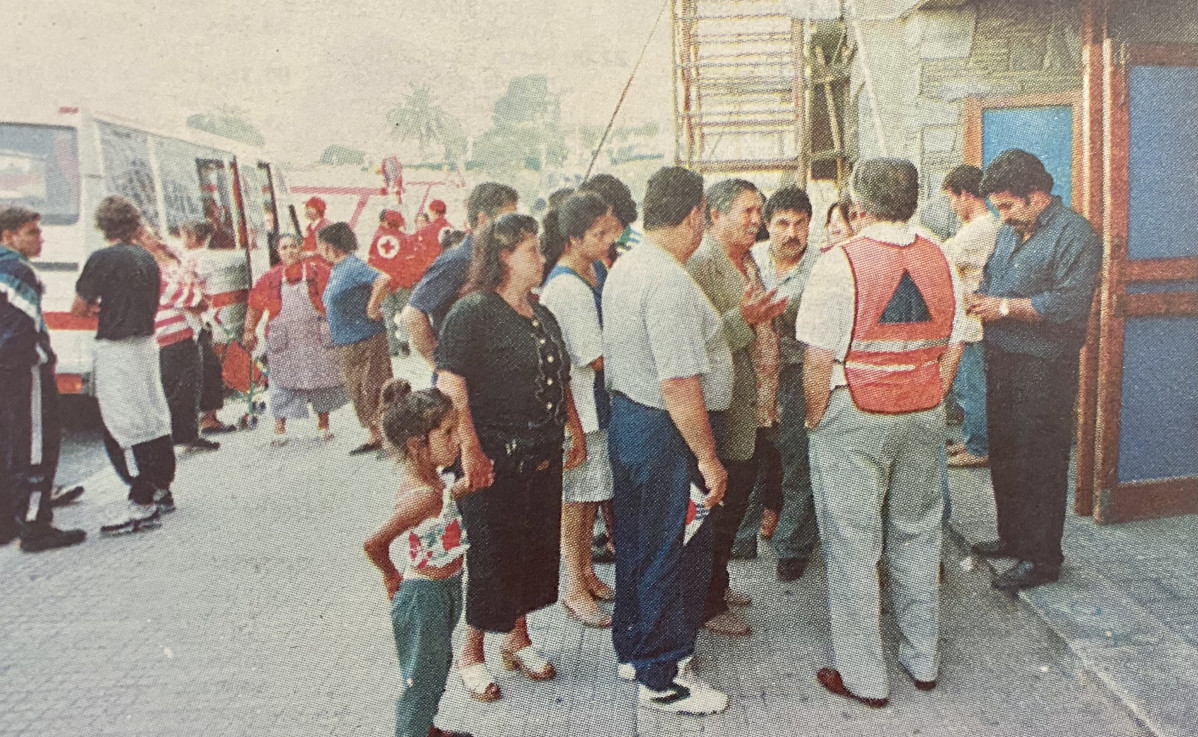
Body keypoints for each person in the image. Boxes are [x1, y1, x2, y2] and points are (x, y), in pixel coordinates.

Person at [795, 158, 966, 708]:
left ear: (859, 207)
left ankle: (864, 678)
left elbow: (818, 356)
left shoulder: (839, 261)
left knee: (853, 546)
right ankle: (924, 662)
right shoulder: (939, 254)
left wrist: (814, 416)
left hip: (855, 415)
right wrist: (933, 392)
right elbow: (958, 341)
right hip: (923, 411)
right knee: (918, 534)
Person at [435, 213, 586, 702]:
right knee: (491, 554)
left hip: (541, 456)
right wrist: (470, 451)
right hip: (492, 460)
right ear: (503, 256)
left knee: (530, 549)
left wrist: (575, 428)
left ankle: (517, 640)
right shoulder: (472, 312)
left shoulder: (542, 314)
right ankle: (471, 652)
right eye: (532, 251)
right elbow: (451, 384)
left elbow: (560, 377)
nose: (541, 259)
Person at [603, 166, 732, 715]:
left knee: (639, 545)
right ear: (695, 216)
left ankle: (634, 647)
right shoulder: (668, 281)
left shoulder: (629, 265)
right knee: (671, 550)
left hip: (632, 421)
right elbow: (679, 382)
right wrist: (707, 457)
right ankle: (664, 675)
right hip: (666, 432)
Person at [968, 149, 1101, 592]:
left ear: (1038, 196)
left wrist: (1002, 307)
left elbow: (1067, 304)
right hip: (1001, 357)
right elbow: (991, 279)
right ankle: (1013, 538)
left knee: (1040, 460)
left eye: (1007, 205)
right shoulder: (1009, 233)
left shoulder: (1076, 235)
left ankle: (1041, 558)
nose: (1001, 216)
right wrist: (981, 298)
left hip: (1045, 367)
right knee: (1004, 452)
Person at [686, 179, 786, 638]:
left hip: (756, 405)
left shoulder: (749, 262)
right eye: (746, 211)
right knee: (719, 509)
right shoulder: (701, 266)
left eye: (758, 210)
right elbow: (697, 346)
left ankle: (717, 585)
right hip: (723, 409)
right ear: (715, 216)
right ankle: (706, 603)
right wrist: (744, 322)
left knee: (738, 498)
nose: (756, 220)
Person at [363, 379, 476, 737]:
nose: (457, 438)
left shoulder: (434, 480)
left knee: (435, 667)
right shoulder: (422, 494)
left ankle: (425, 729)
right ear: (417, 445)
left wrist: (461, 488)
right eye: (447, 432)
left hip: (444, 588)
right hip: (424, 597)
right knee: (421, 682)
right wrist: (391, 576)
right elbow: (373, 543)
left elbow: (437, 509)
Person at [539, 193, 623, 629]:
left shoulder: (592, 269)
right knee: (576, 500)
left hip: (599, 404)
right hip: (581, 409)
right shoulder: (566, 286)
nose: (611, 240)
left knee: (591, 495)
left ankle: (587, 572)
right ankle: (572, 584)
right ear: (572, 238)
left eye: (612, 231)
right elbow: (593, 356)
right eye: (599, 234)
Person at [73, 196, 178, 535]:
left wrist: (97, 310)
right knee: (153, 416)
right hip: (147, 344)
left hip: (116, 348)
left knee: (123, 425)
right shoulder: (147, 258)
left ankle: (141, 503)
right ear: (134, 223)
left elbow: (79, 307)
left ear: (102, 225)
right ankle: (162, 489)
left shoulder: (101, 259)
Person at [732, 186, 821, 582]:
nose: (791, 232)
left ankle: (794, 546)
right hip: (757, 373)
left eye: (799, 223)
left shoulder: (823, 266)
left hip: (801, 371)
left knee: (798, 459)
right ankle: (741, 537)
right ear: (768, 225)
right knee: (751, 457)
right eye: (782, 223)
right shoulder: (752, 263)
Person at [0, 205, 87, 552]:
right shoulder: (18, 271)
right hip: (25, 371)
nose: (41, 238)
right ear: (9, 236)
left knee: (9, 444)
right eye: (32, 232)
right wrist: (41, 360)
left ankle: (10, 522)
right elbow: (25, 329)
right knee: (35, 444)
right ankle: (36, 526)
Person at [243, 234, 348, 446]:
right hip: (284, 339)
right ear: (278, 252)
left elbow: (339, 297)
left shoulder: (318, 271)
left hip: (316, 336)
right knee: (281, 382)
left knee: (322, 381)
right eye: (284, 248)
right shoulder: (268, 278)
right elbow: (254, 306)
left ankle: (323, 426)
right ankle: (280, 428)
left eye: (293, 246)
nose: (289, 251)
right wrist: (249, 330)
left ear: (300, 248)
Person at [400, 183, 519, 368]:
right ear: (482, 219)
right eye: (506, 219)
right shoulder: (458, 260)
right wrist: (439, 366)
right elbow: (412, 315)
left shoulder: (498, 257)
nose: (513, 228)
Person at [137, 227, 219, 453]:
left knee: (191, 383)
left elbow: (191, 277)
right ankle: (177, 436)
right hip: (168, 329)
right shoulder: (147, 265)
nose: (151, 237)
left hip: (189, 327)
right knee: (177, 386)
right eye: (145, 235)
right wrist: (196, 300)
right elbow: (170, 291)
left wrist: (198, 297)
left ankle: (189, 434)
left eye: (152, 233)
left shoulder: (172, 255)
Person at [941, 165, 1001, 469]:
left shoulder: (981, 228)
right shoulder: (978, 226)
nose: (952, 206)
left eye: (952, 198)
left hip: (972, 321)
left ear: (965, 194)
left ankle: (979, 447)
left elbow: (942, 257)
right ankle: (972, 439)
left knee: (972, 387)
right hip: (969, 318)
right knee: (970, 386)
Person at [316, 222, 394, 455]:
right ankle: (374, 436)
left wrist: (372, 307)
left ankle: (390, 438)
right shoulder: (337, 270)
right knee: (357, 389)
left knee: (374, 386)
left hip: (366, 337)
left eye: (320, 245)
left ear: (330, 246)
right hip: (346, 340)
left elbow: (383, 280)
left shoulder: (352, 266)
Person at [179, 220, 239, 435]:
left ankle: (205, 417)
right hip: (200, 319)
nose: (182, 240)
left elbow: (189, 281)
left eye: (184, 235)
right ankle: (208, 417)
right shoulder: (204, 257)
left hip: (191, 319)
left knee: (204, 368)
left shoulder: (197, 258)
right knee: (208, 369)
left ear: (193, 238)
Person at [366, 209, 413, 357]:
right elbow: (410, 263)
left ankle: (392, 346)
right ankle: (404, 340)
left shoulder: (377, 238)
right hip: (402, 284)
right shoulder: (405, 238)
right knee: (405, 314)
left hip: (384, 284)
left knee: (387, 315)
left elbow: (372, 262)